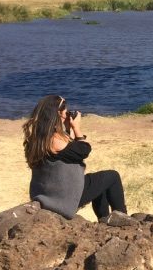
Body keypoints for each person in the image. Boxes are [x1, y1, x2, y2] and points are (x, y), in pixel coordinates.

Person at [23, 94, 128, 222]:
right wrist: (77, 128)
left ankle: (104, 219)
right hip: (64, 197)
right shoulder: (54, 140)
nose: (67, 111)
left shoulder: (38, 138)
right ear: (57, 113)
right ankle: (123, 218)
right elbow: (83, 151)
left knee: (99, 183)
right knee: (112, 176)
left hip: (49, 192)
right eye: (64, 108)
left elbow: (68, 153)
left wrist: (68, 129)